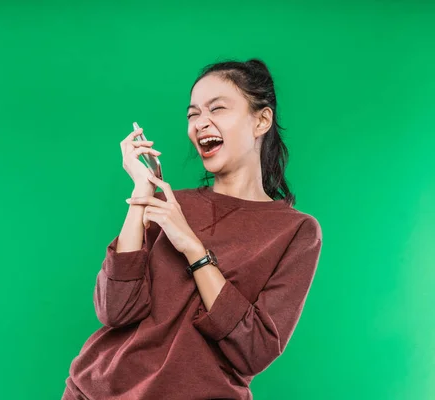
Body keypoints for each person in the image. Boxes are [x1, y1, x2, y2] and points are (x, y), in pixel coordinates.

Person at [62, 59, 323, 400]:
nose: (201, 123)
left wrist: (194, 249)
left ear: (261, 120)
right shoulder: (169, 202)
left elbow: (255, 350)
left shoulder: (296, 232)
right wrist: (143, 193)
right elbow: (115, 310)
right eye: (193, 114)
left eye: (217, 109)